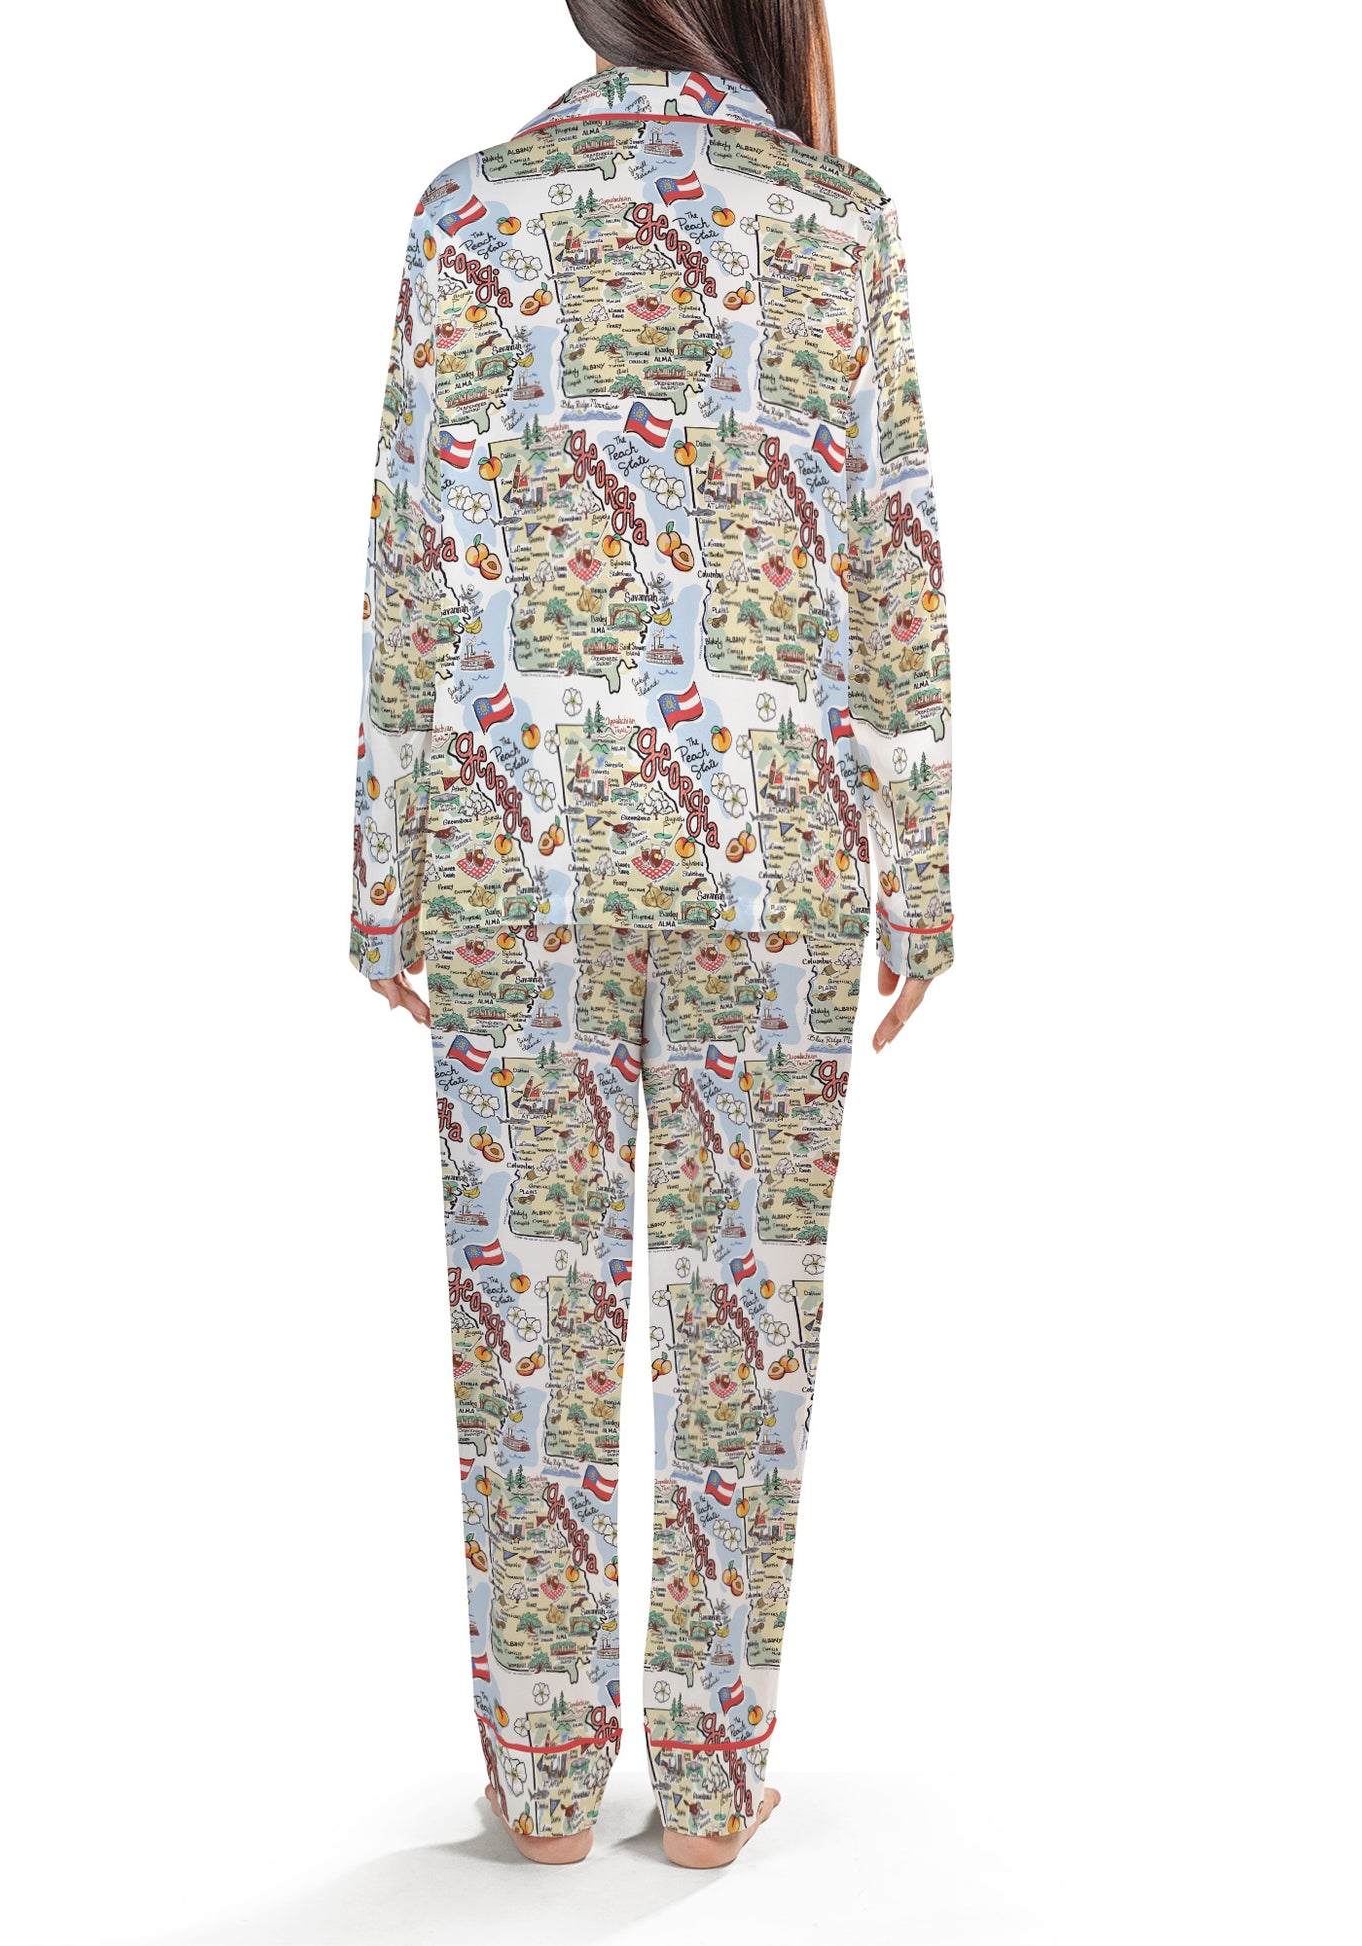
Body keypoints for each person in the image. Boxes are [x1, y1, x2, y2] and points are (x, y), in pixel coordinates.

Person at [349, 0, 953, 1868]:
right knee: (744, 1310)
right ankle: (706, 1774)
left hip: (513, 835)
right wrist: (920, 876)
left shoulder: (469, 213)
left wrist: (383, 865)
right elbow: (895, 566)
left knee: (524, 1309)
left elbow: (408, 558)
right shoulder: (839, 221)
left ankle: (542, 1783)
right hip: (774, 853)